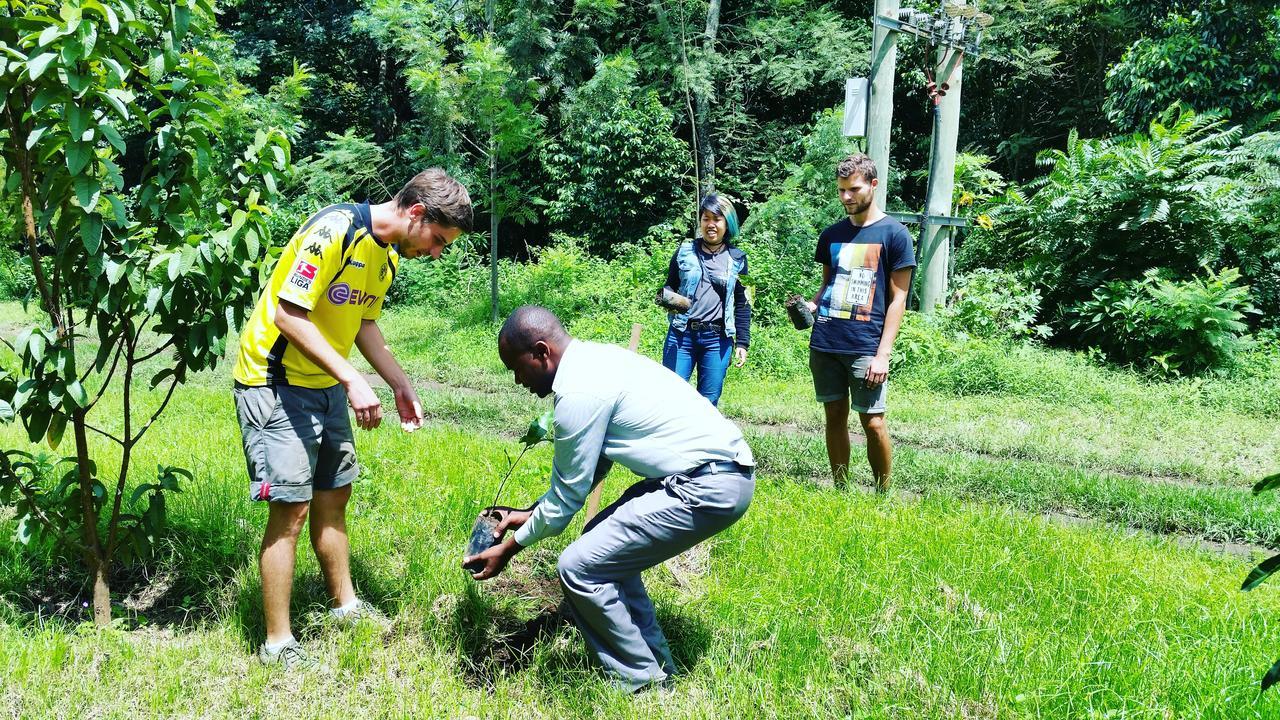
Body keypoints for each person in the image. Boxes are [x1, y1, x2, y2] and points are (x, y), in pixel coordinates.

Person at [232, 169, 473, 668]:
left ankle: (345, 608)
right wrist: (352, 379)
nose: (436, 253)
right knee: (291, 510)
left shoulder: (384, 258)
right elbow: (287, 314)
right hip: (274, 383)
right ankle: (277, 644)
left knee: (334, 497)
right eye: (437, 240)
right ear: (417, 213)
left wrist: (399, 383)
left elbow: (364, 323)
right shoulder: (333, 231)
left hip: (324, 385)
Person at [464, 306, 755, 692]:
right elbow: (588, 472)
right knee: (599, 541)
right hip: (712, 475)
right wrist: (526, 513)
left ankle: (642, 684)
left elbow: (566, 500)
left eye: (517, 368)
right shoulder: (595, 360)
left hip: (707, 485)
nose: (518, 381)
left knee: (579, 566)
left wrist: (510, 549)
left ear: (540, 352)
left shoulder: (579, 393)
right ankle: (657, 665)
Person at [805, 155, 915, 492]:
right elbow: (827, 285)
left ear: (873, 185)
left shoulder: (895, 235)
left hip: (865, 345)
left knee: (873, 422)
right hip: (825, 342)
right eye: (841, 191)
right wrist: (809, 305)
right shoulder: (831, 234)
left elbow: (899, 299)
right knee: (834, 417)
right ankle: (841, 489)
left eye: (853, 189)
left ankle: (883, 493)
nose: (846, 197)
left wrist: (883, 355)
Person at [659, 194, 751, 406]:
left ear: (727, 223)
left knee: (708, 402)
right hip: (681, 336)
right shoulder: (684, 252)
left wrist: (743, 342)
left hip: (717, 340)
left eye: (717, 219)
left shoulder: (738, 259)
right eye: (706, 218)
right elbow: (670, 284)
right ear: (700, 221)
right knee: (671, 397)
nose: (711, 224)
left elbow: (743, 303)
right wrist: (667, 297)